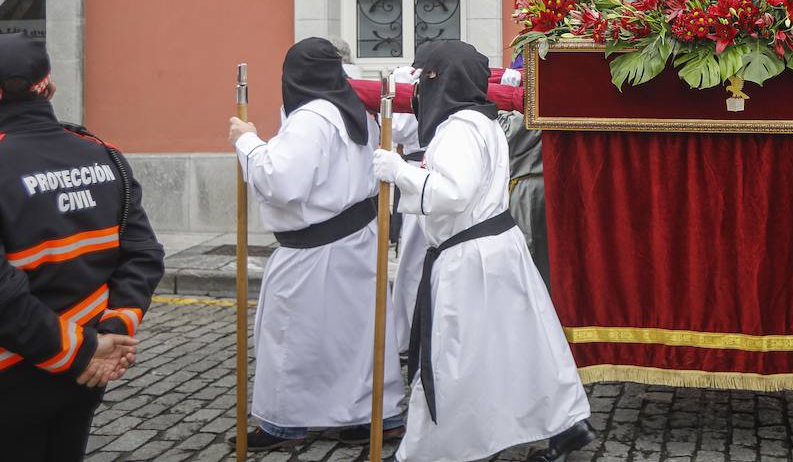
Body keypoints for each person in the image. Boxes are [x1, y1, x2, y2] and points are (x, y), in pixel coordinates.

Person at [371, 40, 594, 462]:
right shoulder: (483, 120)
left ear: (443, 79)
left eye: (426, 76)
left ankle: (440, 447)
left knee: (458, 355)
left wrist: (399, 171)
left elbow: (452, 193)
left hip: (469, 258)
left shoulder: (459, 127)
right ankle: (563, 422)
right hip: (492, 248)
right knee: (517, 345)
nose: (419, 87)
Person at [227, 37, 405, 451]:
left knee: (291, 334)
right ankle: (369, 416)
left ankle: (285, 423)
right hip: (355, 239)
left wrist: (247, 140)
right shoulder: (356, 107)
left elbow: (282, 181)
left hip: (315, 249)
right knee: (356, 335)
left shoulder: (312, 117)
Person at [0, 32, 164, 462]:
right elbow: (143, 254)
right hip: (88, 365)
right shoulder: (102, 154)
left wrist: (77, 351)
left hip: (22, 368)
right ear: (49, 85)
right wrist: (115, 329)